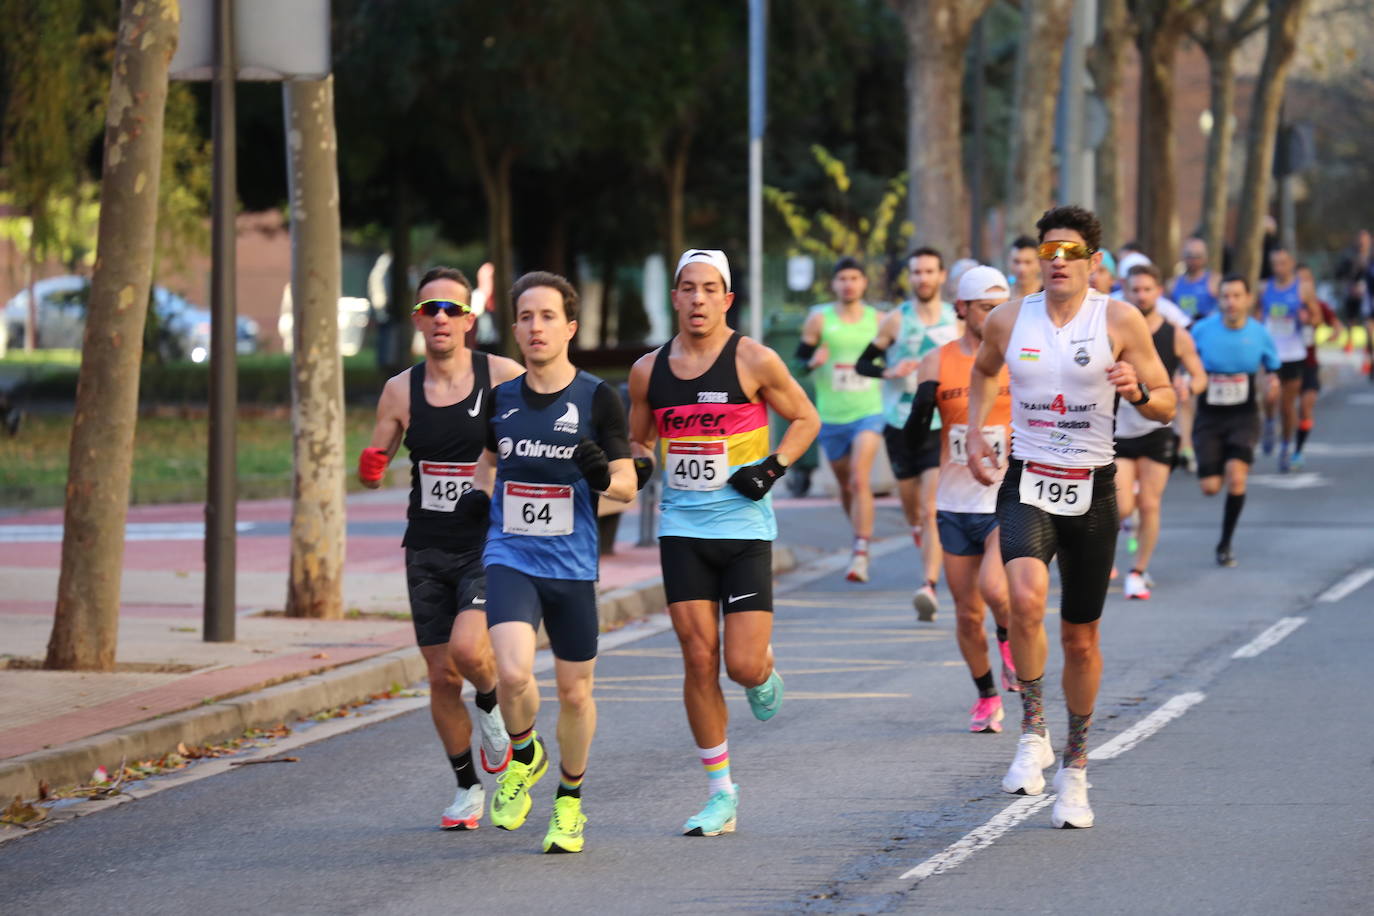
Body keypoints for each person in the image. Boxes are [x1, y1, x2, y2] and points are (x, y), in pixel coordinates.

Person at [965, 205, 1176, 829]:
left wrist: (1136, 390)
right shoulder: (1009, 318)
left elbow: (1166, 402)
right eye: (1047, 251)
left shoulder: (1118, 319)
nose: (1057, 261)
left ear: (1093, 262)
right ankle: (1033, 730)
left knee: (1081, 638)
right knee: (1022, 596)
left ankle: (1075, 771)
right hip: (1027, 479)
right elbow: (981, 372)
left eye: (1069, 252)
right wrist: (978, 431)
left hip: (1094, 487)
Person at [628, 249, 820, 837]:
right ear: (675, 298)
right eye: (688, 289)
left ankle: (763, 674)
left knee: (740, 664)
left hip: (742, 531)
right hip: (681, 529)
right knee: (696, 657)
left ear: (727, 299)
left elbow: (806, 419)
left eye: (710, 289)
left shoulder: (754, 359)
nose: (698, 300)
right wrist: (633, 468)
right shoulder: (648, 371)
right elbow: (640, 442)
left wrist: (772, 467)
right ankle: (721, 792)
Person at [357, 266, 525, 830]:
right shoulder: (400, 389)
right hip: (426, 545)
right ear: (418, 320)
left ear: (470, 320)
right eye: (432, 310)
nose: (441, 319)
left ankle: (492, 705)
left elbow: (540, 428)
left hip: (488, 543)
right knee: (438, 676)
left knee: (469, 652)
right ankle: (466, 789)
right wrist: (372, 464)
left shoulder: (501, 376)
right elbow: (377, 456)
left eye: (452, 310)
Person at [481, 271, 639, 854]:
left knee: (575, 693)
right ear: (516, 330)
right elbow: (486, 463)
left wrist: (605, 478)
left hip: (571, 565)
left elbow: (627, 484)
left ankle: (569, 802)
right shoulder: (500, 400)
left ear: (570, 328)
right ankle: (524, 752)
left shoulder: (598, 397)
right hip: (510, 554)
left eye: (547, 316)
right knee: (513, 673)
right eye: (525, 317)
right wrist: (479, 498)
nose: (536, 326)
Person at [905, 265, 1019, 732]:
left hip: (1008, 497)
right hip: (954, 503)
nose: (995, 317)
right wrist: (923, 403)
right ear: (962, 309)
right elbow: (914, 434)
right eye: (985, 308)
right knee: (968, 614)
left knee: (996, 590)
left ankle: (1011, 640)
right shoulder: (937, 361)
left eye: (1001, 308)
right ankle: (987, 697)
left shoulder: (1020, 356)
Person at [855, 247, 960, 618]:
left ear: (942, 276)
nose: (923, 278)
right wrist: (890, 371)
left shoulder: (954, 320)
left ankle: (928, 586)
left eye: (930, 271)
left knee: (931, 508)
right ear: (910, 277)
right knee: (913, 508)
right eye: (916, 272)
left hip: (939, 422)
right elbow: (864, 363)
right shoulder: (896, 321)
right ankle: (918, 532)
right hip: (900, 422)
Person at [1113, 264, 1207, 600]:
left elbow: (1200, 375)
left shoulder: (1175, 334)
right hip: (1119, 430)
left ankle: (1137, 571)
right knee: (1122, 505)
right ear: (1125, 290)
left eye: (1147, 290)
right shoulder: (1114, 329)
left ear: (1159, 292)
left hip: (1158, 428)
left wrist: (1187, 386)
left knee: (1149, 503)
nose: (1141, 296)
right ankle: (1120, 529)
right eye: (1135, 290)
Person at [797, 257, 886, 583]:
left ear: (863, 283)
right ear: (834, 284)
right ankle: (859, 533)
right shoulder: (819, 319)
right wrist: (812, 362)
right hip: (831, 415)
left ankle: (860, 550)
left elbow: (890, 358)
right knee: (847, 485)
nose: (848, 283)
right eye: (842, 278)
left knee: (860, 479)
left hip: (869, 411)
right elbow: (799, 362)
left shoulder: (878, 319)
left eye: (854, 277)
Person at [1190, 275, 1280, 566]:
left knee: (1236, 475)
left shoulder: (1260, 333)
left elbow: (1271, 369)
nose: (1231, 302)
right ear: (1219, 300)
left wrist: (1272, 388)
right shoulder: (1202, 331)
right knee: (1210, 487)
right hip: (1209, 414)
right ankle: (1214, 470)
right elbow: (1186, 364)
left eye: (1237, 296)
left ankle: (1225, 544)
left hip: (1244, 413)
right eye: (1226, 296)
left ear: (1247, 299)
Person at [1258, 247, 1313, 471]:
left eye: (1283, 263)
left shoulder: (1304, 288)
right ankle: (1270, 423)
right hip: (1270, 352)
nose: (1278, 268)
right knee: (1269, 397)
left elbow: (1316, 316)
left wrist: (1307, 317)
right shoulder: (1264, 288)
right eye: (1275, 264)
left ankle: (1286, 446)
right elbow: (1257, 315)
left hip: (1294, 353)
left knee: (1287, 406)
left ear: (1291, 264)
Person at [1291, 264, 1342, 470]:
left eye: (1307, 280)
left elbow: (1335, 324)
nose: (1304, 284)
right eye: (1299, 280)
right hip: (1287, 363)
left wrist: (1335, 334)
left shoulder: (1318, 305)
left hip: (1309, 363)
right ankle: (1283, 438)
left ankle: (1298, 449)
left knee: (1306, 405)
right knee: (1285, 407)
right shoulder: (1287, 304)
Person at [1332, 229, 1371, 371]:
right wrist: (1350, 285)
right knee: (1352, 319)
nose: (1362, 243)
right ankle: (1350, 341)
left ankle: (1368, 351)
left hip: (1369, 295)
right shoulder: (1349, 255)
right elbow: (1339, 273)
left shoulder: (1371, 256)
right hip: (1353, 293)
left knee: (1369, 324)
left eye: (1365, 240)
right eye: (1360, 240)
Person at [1171, 237, 1220, 321]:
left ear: (1205, 258)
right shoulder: (1172, 284)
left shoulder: (1214, 281)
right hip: (1182, 330)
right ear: (1183, 257)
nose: (1193, 260)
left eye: (1198, 256)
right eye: (1189, 256)